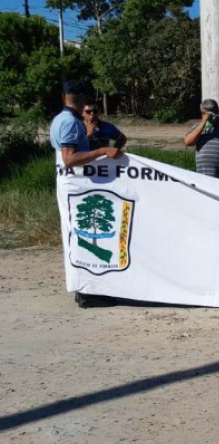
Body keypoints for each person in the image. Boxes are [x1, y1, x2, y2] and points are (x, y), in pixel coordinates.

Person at [50, 80, 123, 308]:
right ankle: (87, 292)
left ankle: (87, 289)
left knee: (83, 236)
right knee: (86, 236)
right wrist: (101, 150)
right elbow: (69, 159)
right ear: (81, 100)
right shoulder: (71, 122)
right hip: (77, 186)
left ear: (64, 97)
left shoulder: (59, 119)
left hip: (73, 184)